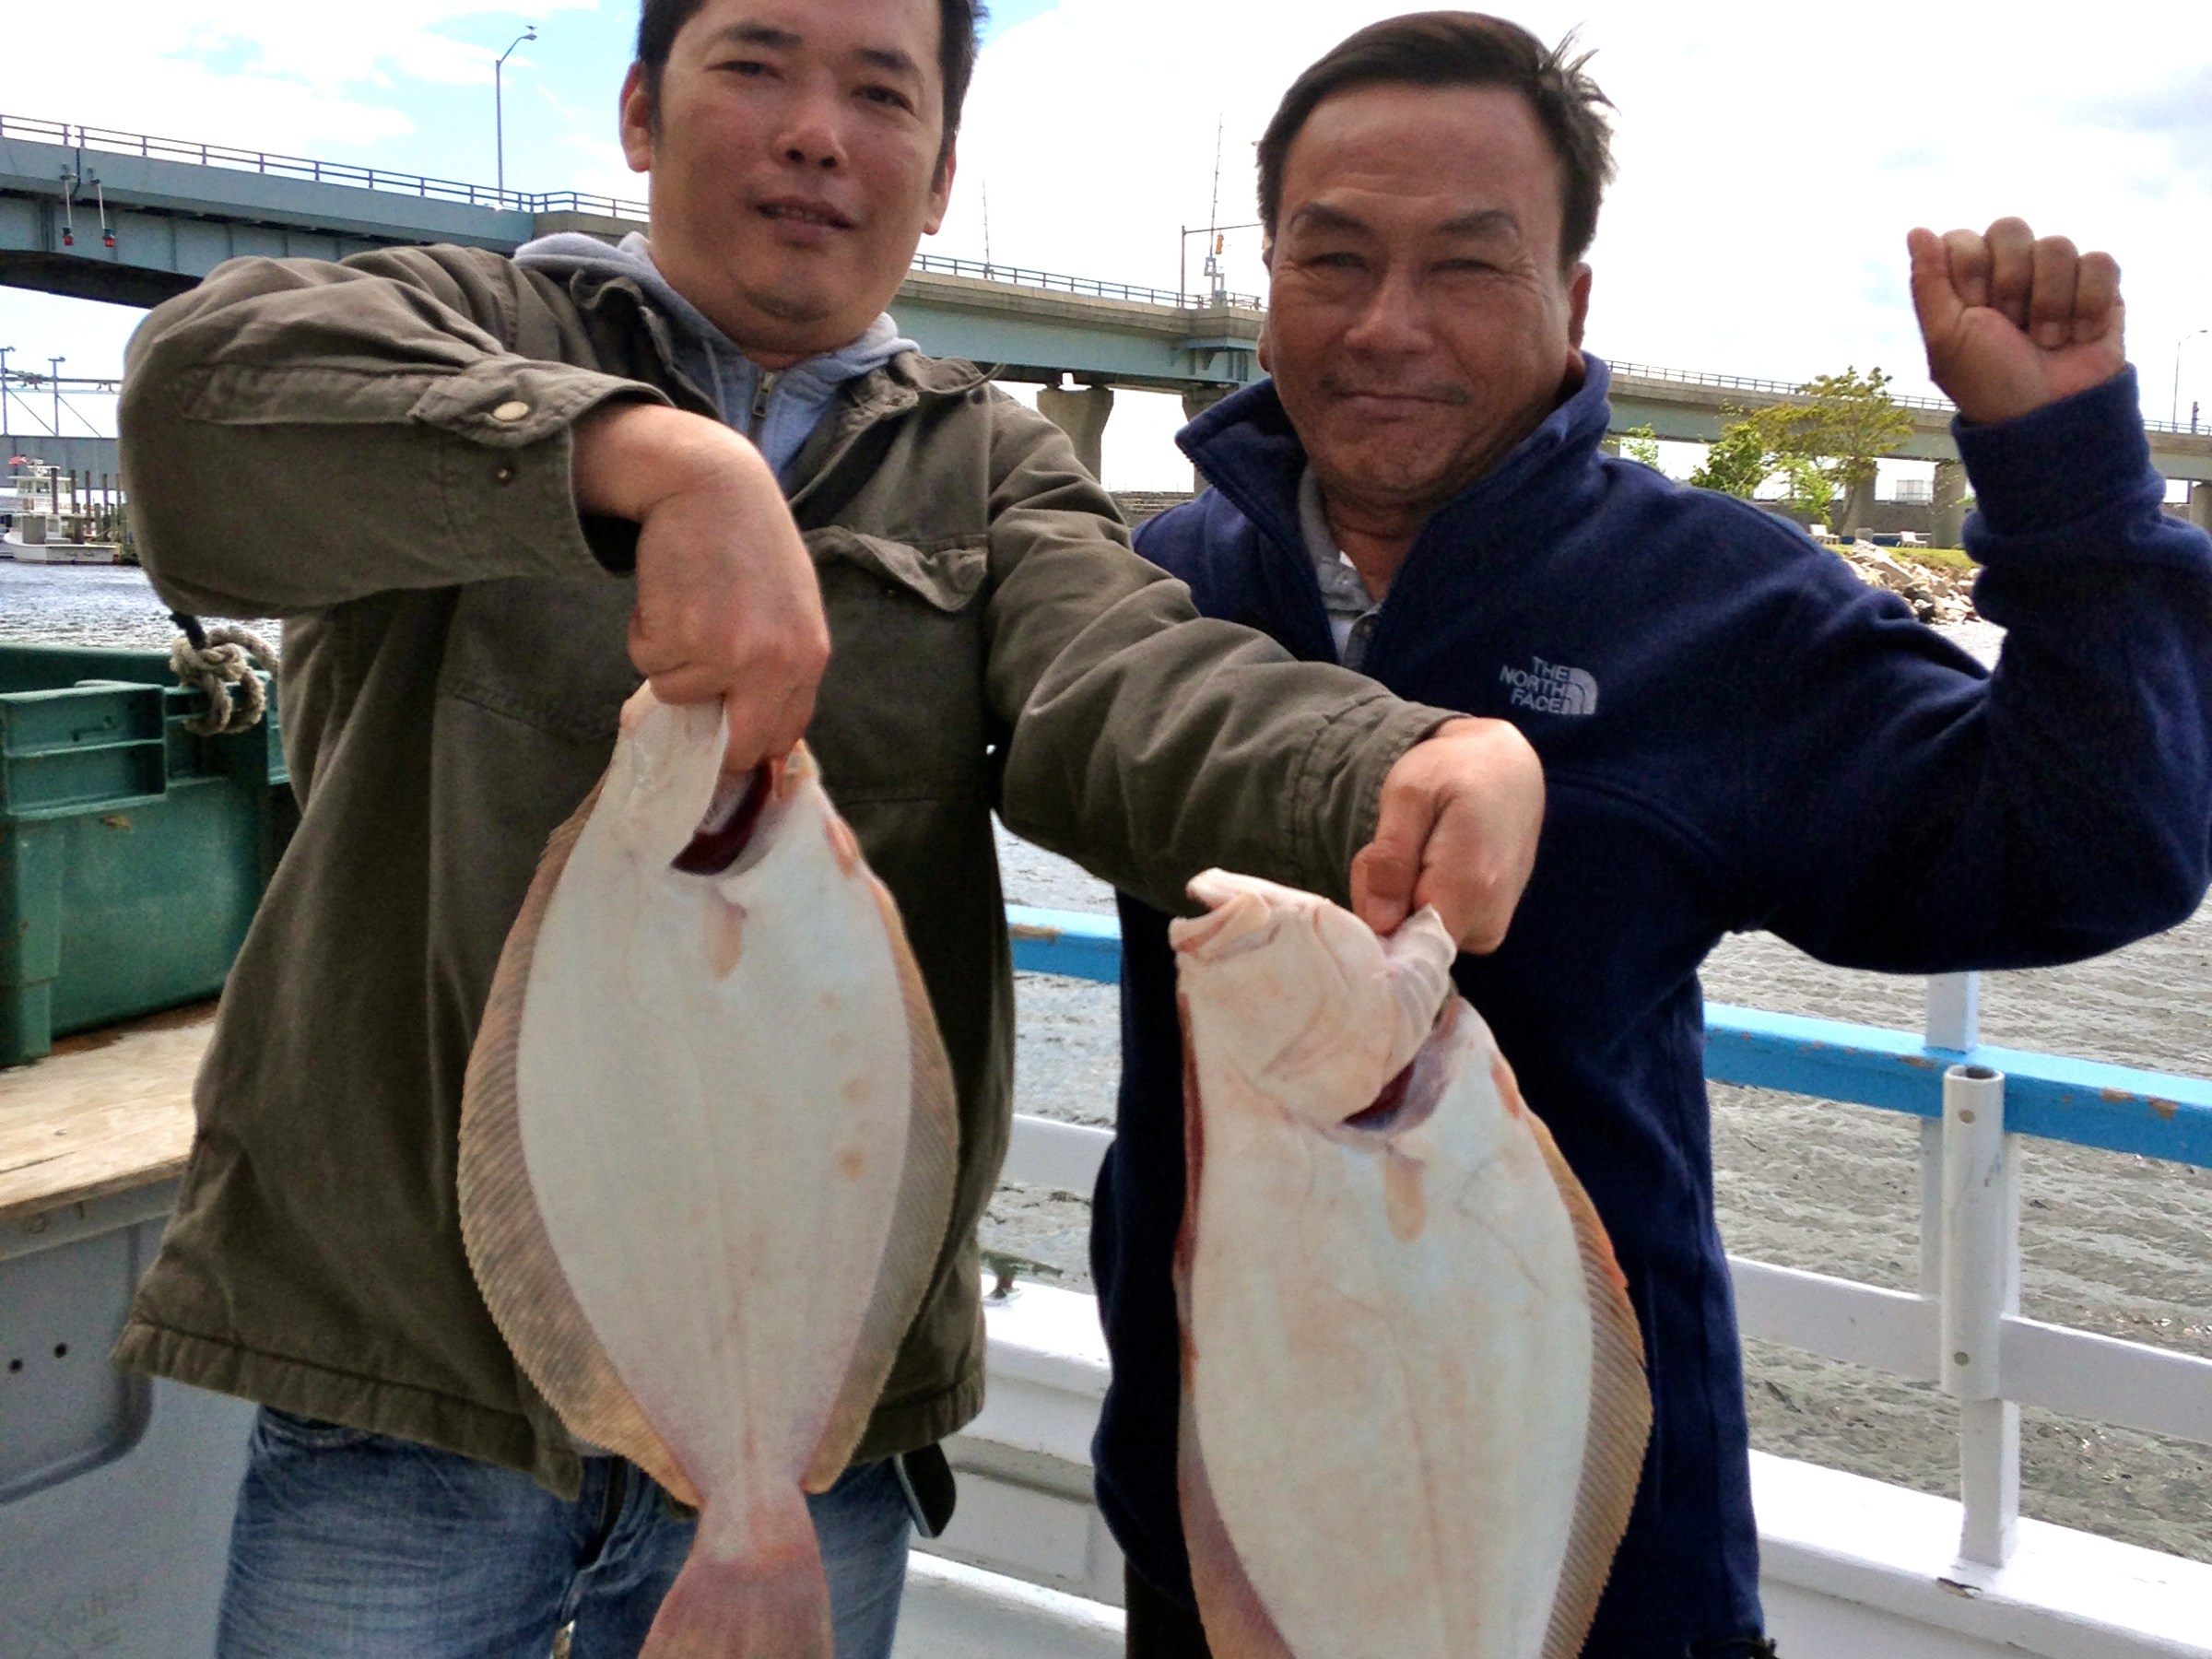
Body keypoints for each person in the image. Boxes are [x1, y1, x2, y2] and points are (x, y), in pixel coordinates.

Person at [110, 2, 1551, 1655]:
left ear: (937, 181)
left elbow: (1131, 684)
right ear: (645, 111)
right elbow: (197, 416)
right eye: (758, 65)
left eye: (883, 94)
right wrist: (642, 466)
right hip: (401, 1404)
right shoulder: (453, 318)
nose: (817, 132)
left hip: (811, 1428)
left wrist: (1392, 765)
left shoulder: (991, 472)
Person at [1088, 14, 2212, 1659]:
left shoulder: (1714, 604)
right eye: (1333, 258)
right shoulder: (1159, 589)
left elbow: (2095, 847)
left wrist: (2071, 485)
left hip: (1592, 1566)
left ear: (1575, 303)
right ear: (1267, 278)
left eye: (1468, 266)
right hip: (1227, 1523)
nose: (1388, 324)